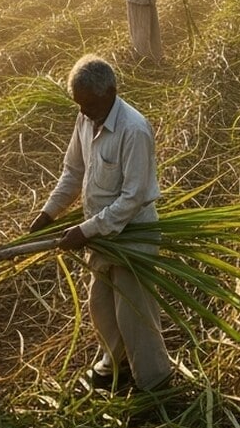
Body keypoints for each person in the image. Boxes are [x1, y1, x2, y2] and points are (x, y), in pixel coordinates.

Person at [27, 56, 173, 393]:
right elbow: (73, 172)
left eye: (89, 104)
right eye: (79, 104)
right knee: (102, 306)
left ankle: (155, 381)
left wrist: (85, 230)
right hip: (100, 237)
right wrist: (49, 213)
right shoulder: (85, 119)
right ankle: (114, 365)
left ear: (111, 92)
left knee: (135, 313)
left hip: (132, 235)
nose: (84, 111)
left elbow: (132, 198)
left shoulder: (134, 130)